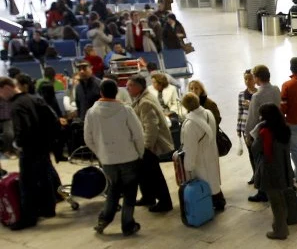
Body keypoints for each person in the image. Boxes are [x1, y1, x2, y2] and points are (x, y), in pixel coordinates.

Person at [84, 79, 144, 236]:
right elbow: (138, 134)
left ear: (101, 93)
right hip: (129, 158)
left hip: (108, 161)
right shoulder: (125, 110)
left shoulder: (91, 112)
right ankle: (127, 224)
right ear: (116, 92)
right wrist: (140, 152)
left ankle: (104, 219)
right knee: (130, 193)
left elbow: (88, 138)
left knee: (113, 190)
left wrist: (101, 152)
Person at [0, 77, 59, 229]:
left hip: (30, 149)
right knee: (45, 177)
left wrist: (17, 144)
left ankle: (29, 217)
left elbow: (23, 129)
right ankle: (48, 209)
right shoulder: (35, 98)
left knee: (27, 183)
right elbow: (53, 119)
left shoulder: (16, 105)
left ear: (7, 88)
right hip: (43, 147)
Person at [126, 75, 173, 212]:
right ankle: (148, 197)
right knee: (143, 173)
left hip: (150, 145)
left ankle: (165, 202)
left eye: (130, 85)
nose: (127, 88)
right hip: (143, 144)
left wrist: (146, 147)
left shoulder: (145, 102)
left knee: (154, 175)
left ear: (138, 87)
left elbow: (151, 127)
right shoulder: (140, 98)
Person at [251, 103, 293, 240]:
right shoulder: (284, 129)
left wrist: (255, 136)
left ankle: (280, 231)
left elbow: (255, 149)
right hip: (284, 168)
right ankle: (281, 226)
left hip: (270, 171)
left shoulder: (264, 132)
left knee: (276, 202)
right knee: (281, 199)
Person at [180, 93, 226, 211]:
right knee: (213, 179)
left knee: (204, 183)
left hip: (200, 158)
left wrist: (188, 166)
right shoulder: (208, 113)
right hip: (211, 151)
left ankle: (208, 205)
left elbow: (190, 148)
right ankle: (220, 200)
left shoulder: (189, 124)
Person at [245, 65, 281, 202]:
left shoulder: (257, 96)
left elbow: (252, 118)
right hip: (277, 129)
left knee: (260, 162)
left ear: (258, 78)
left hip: (263, 132)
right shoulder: (276, 89)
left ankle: (262, 192)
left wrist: (248, 135)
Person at [237, 69, 258, 184]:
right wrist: (238, 128)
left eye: (250, 78)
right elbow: (240, 112)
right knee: (251, 153)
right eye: (245, 79)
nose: (247, 81)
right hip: (246, 128)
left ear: (255, 79)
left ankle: (259, 175)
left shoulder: (258, 94)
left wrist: (251, 105)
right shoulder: (241, 95)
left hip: (256, 128)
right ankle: (255, 174)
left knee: (257, 153)